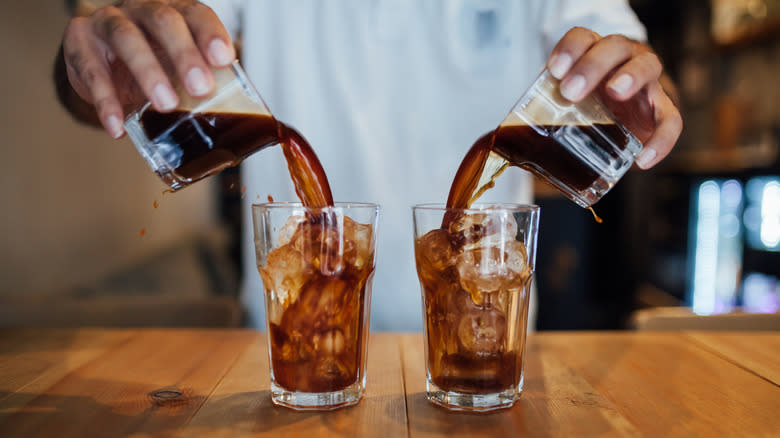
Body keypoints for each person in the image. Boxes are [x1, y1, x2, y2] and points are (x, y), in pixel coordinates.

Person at [55, 0, 682, 330]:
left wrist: (641, 87)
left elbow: (636, 67)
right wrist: (97, 69)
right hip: (283, 348)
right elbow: (109, 64)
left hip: (487, 347)